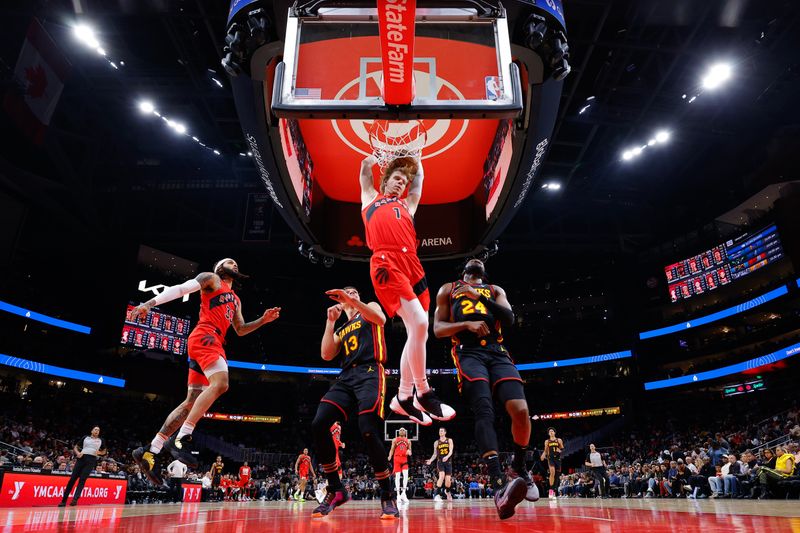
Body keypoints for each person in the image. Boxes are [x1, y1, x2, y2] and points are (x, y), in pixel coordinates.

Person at [131, 258, 280, 482]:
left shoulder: (236, 300)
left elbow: (240, 329)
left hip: (213, 341)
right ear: (219, 267)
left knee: (191, 400)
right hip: (206, 336)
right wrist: (149, 304)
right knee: (221, 384)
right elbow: (181, 289)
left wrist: (263, 320)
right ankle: (182, 437)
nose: (235, 264)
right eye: (231, 262)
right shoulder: (211, 279)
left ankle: (151, 450)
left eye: (238, 263)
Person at [433, 258, 538, 518]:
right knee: (484, 410)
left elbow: (509, 318)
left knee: (521, 411)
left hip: (497, 350)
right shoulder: (449, 288)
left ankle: (519, 466)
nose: (477, 258)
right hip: (468, 352)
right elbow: (438, 329)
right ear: (465, 270)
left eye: (481, 258)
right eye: (472, 258)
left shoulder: (495, 290)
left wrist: (478, 299)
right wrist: (465, 325)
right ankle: (498, 483)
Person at [358, 154, 454, 424]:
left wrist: (419, 161)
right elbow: (365, 172)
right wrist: (371, 158)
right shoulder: (371, 199)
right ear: (386, 181)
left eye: (404, 181)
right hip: (386, 261)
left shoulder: (408, 205)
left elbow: (420, 182)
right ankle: (423, 391)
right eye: (396, 179)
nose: (401, 183)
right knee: (422, 322)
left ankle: (402, 397)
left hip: (412, 263)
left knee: (417, 332)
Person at [310, 286, 399, 519]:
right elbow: (326, 355)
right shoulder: (342, 327)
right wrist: (330, 321)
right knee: (319, 423)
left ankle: (388, 494)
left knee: (368, 429)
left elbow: (380, 319)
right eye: (348, 292)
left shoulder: (369, 308)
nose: (352, 293)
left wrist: (353, 301)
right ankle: (336, 489)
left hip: (371, 371)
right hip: (347, 376)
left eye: (355, 292)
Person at [57, 426, 106, 507]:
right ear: (92, 431)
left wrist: (99, 453)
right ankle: (64, 500)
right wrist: (77, 453)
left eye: (98, 430)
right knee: (72, 479)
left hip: (91, 460)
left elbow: (104, 451)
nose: (97, 431)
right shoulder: (85, 437)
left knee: (82, 479)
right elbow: (76, 447)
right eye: (95, 429)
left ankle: (75, 499)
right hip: (81, 458)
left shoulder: (101, 440)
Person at [426, 428, 454, 501]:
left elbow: (451, 451)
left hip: (448, 461)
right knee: (441, 476)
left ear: (445, 432)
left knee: (448, 480)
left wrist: (447, 456)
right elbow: (435, 454)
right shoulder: (436, 442)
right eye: (439, 431)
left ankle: (447, 491)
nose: (440, 432)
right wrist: (431, 460)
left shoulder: (449, 440)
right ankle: (437, 495)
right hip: (440, 461)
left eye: (442, 431)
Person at [387, 427, 412, 502]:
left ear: (405, 432)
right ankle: (398, 495)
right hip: (397, 459)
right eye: (400, 430)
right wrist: (389, 456)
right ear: (398, 432)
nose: (402, 431)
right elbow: (392, 449)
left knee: (406, 475)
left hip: (404, 458)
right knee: (397, 476)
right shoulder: (395, 439)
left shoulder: (408, 440)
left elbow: (410, 451)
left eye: (403, 430)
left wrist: (409, 452)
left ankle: (403, 493)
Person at [541, 427, 564, 499]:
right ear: (548, 433)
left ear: (554, 432)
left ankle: (554, 491)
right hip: (550, 458)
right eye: (550, 431)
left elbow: (562, 448)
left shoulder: (559, 440)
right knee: (552, 472)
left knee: (557, 477)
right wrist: (543, 455)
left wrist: (560, 449)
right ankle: (550, 491)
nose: (551, 432)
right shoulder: (547, 441)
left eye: (552, 431)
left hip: (558, 459)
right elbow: (545, 450)